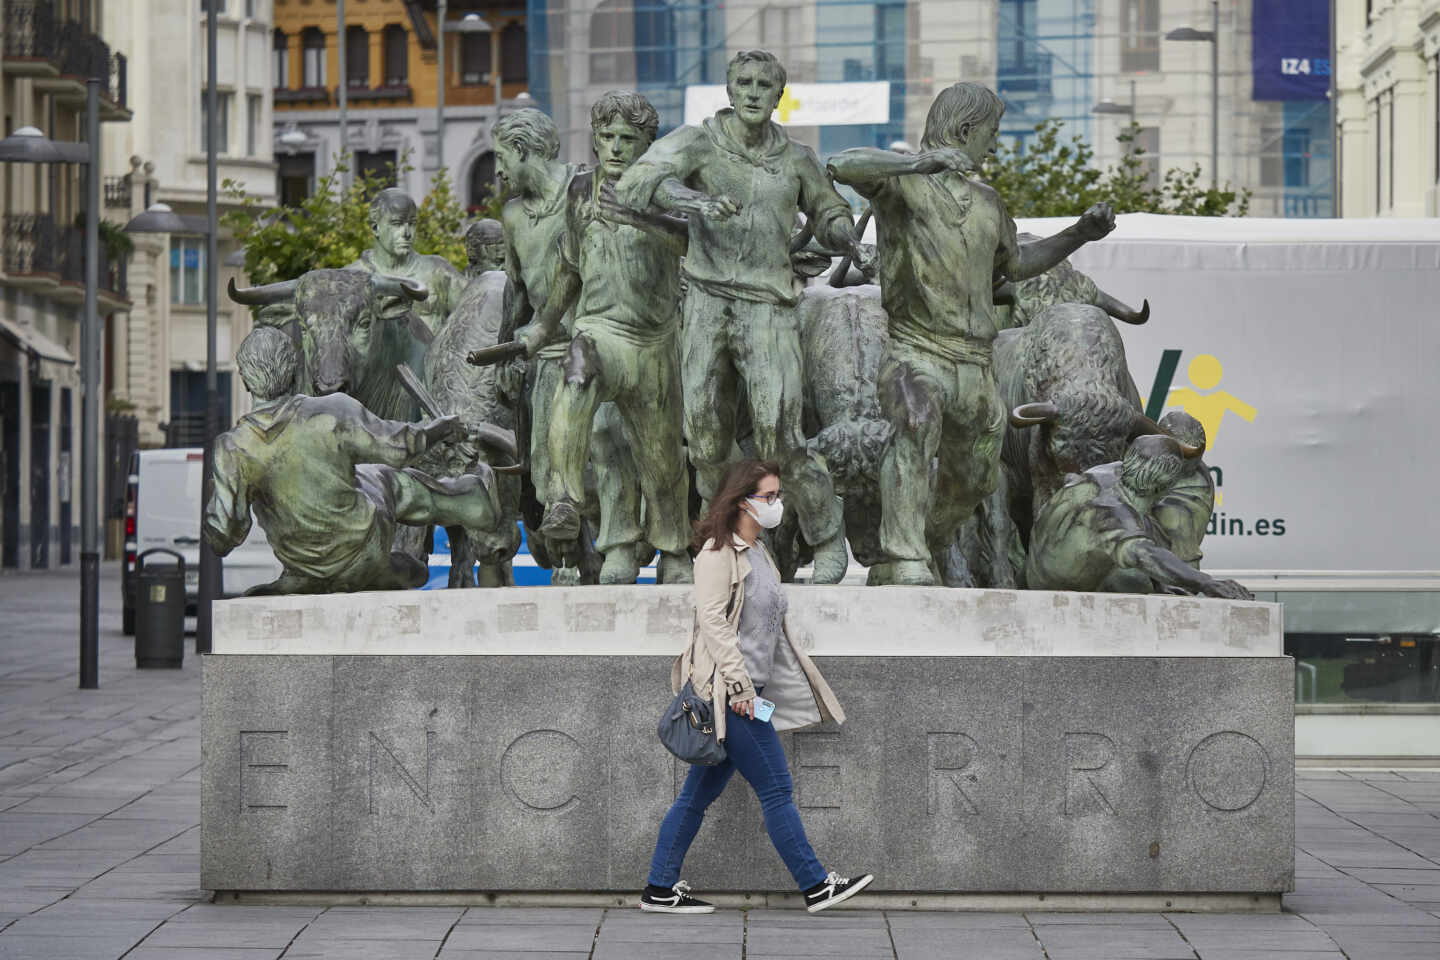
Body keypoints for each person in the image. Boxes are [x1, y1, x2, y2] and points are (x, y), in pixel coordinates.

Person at [827, 83, 1116, 585]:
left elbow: (1019, 264)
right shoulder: (901, 188)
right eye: (991, 133)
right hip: (916, 351)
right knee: (915, 427)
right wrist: (922, 163)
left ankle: (921, 547)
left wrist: (1080, 233)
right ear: (964, 131)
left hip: (975, 361)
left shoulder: (988, 202)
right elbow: (843, 164)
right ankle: (905, 554)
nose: (995, 144)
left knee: (978, 478)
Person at [615, 50, 856, 584]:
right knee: (702, 442)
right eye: (743, 82)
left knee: (779, 436)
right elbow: (635, 183)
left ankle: (825, 534)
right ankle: (726, 538)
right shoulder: (697, 142)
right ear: (728, 89)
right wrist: (693, 201)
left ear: (778, 95)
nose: (752, 92)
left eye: (764, 84)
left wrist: (844, 234)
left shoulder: (796, 158)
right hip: (704, 301)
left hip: (767, 306)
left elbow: (829, 210)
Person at [640, 459, 873, 915]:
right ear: (740, 500)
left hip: (753, 694)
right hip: (733, 698)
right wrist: (743, 688)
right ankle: (816, 884)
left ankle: (659, 888)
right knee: (777, 789)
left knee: (695, 796)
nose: (776, 504)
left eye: (777, 496)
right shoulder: (715, 555)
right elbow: (713, 624)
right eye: (768, 497)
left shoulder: (759, 552)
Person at [515, 90, 693, 585]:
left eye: (627, 139)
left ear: (646, 144)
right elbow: (568, 271)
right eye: (606, 137)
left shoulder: (666, 187)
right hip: (598, 330)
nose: (614, 148)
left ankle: (673, 549)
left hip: (653, 340)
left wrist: (639, 214)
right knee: (585, 402)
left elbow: (688, 240)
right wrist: (543, 326)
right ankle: (572, 506)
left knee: (661, 460)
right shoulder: (580, 191)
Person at [203, 327, 504, 594]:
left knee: (380, 517)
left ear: (243, 379)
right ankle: (469, 499)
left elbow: (223, 537)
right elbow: (401, 447)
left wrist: (224, 496)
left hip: (304, 569)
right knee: (384, 477)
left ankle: (389, 569)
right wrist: (443, 426)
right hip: (365, 542)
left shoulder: (231, 448)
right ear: (295, 372)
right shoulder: (332, 410)